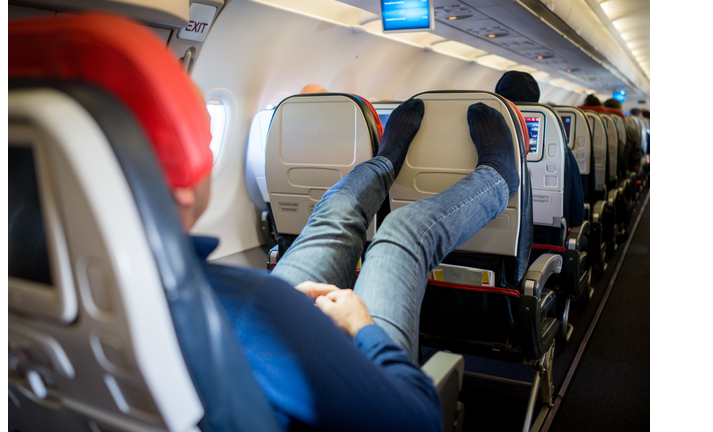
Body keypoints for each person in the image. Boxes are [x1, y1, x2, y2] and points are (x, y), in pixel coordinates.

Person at [171, 97, 519, 431]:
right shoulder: (247, 303)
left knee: (334, 212)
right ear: (183, 188)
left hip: (265, 346)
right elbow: (416, 420)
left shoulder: (155, 292)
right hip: (308, 371)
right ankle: (497, 176)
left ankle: (387, 160)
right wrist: (361, 326)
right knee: (401, 231)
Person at [494, 71, 585, 232]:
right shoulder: (561, 150)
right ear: (536, 100)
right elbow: (576, 214)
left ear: (497, 95)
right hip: (542, 246)